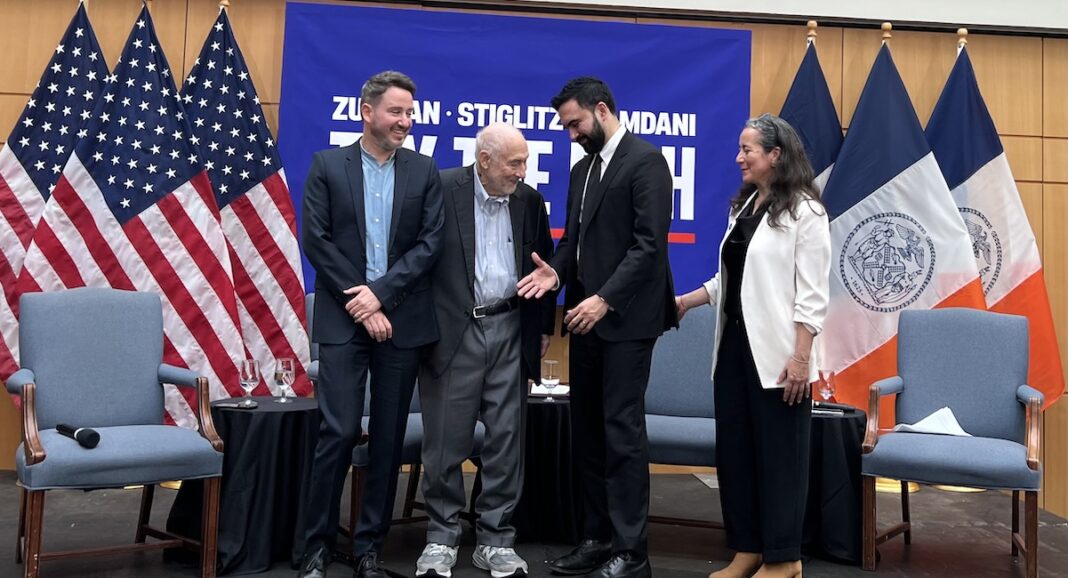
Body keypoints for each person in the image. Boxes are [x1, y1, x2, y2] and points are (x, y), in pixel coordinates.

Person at [517, 77, 676, 578]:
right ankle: (595, 537)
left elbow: (648, 247)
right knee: (585, 431)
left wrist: (604, 299)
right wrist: (556, 272)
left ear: (602, 110)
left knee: (620, 432)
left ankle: (632, 552)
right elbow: (575, 242)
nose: (571, 134)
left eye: (575, 123)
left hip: (625, 321)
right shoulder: (583, 168)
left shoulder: (647, 162)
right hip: (583, 320)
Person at [298, 70, 444, 578]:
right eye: (396, 111)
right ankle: (315, 546)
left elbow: (429, 245)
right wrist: (361, 302)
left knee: (386, 439)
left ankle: (368, 550)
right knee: (338, 432)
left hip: (402, 323)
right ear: (367, 112)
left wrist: (379, 295)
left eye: (410, 112)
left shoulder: (425, 171)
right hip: (343, 322)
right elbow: (316, 240)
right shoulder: (327, 166)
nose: (405, 121)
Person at [674, 114, 831, 578]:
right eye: (741, 149)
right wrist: (687, 301)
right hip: (734, 352)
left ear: (776, 155)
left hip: (781, 357)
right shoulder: (745, 207)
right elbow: (730, 282)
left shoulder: (807, 213)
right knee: (737, 455)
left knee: (780, 459)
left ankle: (784, 559)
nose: (739, 158)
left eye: (748, 150)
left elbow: (813, 296)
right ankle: (748, 549)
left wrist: (801, 357)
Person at [415, 123, 556, 578]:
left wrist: (541, 327)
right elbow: (417, 257)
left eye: (525, 162)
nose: (522, 171)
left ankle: (495, 539)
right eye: (514, 163)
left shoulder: (530, 201)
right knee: (444, 443)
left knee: (505, 442)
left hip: (511, 328)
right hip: (456, 331)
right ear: (484, 161)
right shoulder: (441, 188)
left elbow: (545, 266)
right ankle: (441, 536)